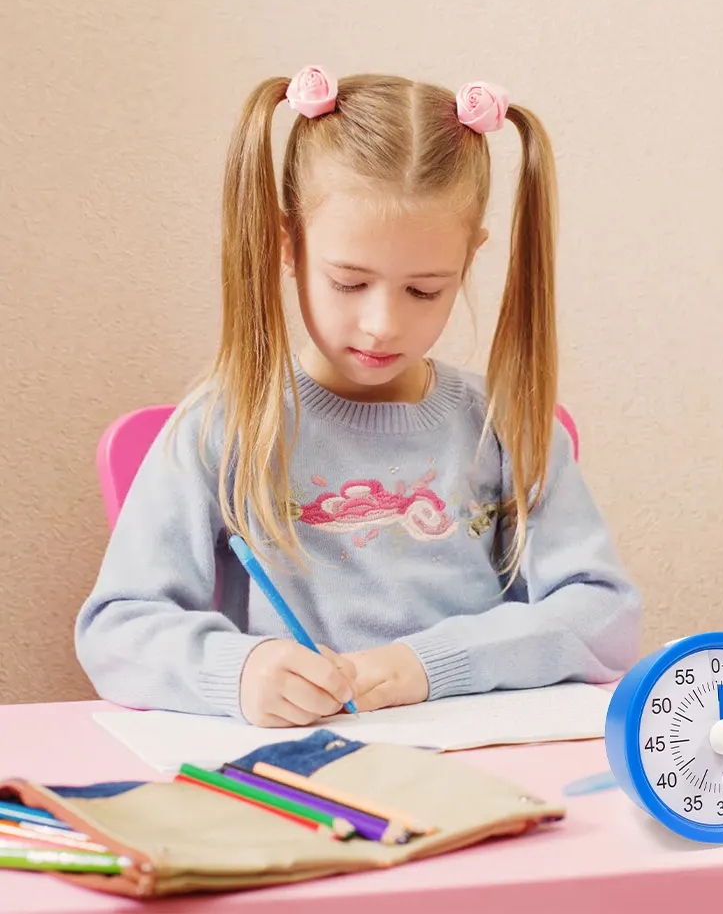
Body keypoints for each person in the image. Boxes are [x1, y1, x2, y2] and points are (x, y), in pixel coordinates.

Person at [75, 66, 642, 727]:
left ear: (470, 259)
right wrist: (240, 671)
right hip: (298, 783)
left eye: (425, 290)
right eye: (349, 283)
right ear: (288, 245)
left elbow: (605, 618)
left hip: (484, 765)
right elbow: (115, 631)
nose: (384, 325)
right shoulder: (221, 426)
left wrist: (429, 667)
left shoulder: (505, 426)